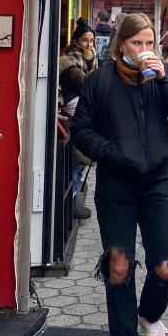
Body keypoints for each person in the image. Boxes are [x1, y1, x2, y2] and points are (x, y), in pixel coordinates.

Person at [71, 13, 168, 336]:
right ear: (121, 44)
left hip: (158, 181)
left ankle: (150, 316)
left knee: (165, 264)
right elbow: (82, 130)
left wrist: (165, 81)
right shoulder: (99, 80)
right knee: (119, 264)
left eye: (149, 43)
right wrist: (112, 153)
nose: (144, 50)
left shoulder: (163, 75)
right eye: (137, 43)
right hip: (117, 184)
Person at [59, 21, 98, 220]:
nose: (89, 45)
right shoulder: (70, 63)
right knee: (76, 160)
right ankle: (71, 200)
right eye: (85, 40)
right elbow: (86, 86)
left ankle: (73, 197)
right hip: (71, 117)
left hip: (81, 115)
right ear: (76, 40)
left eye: (91, 41)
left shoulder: (90, 61)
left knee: (80, 161)